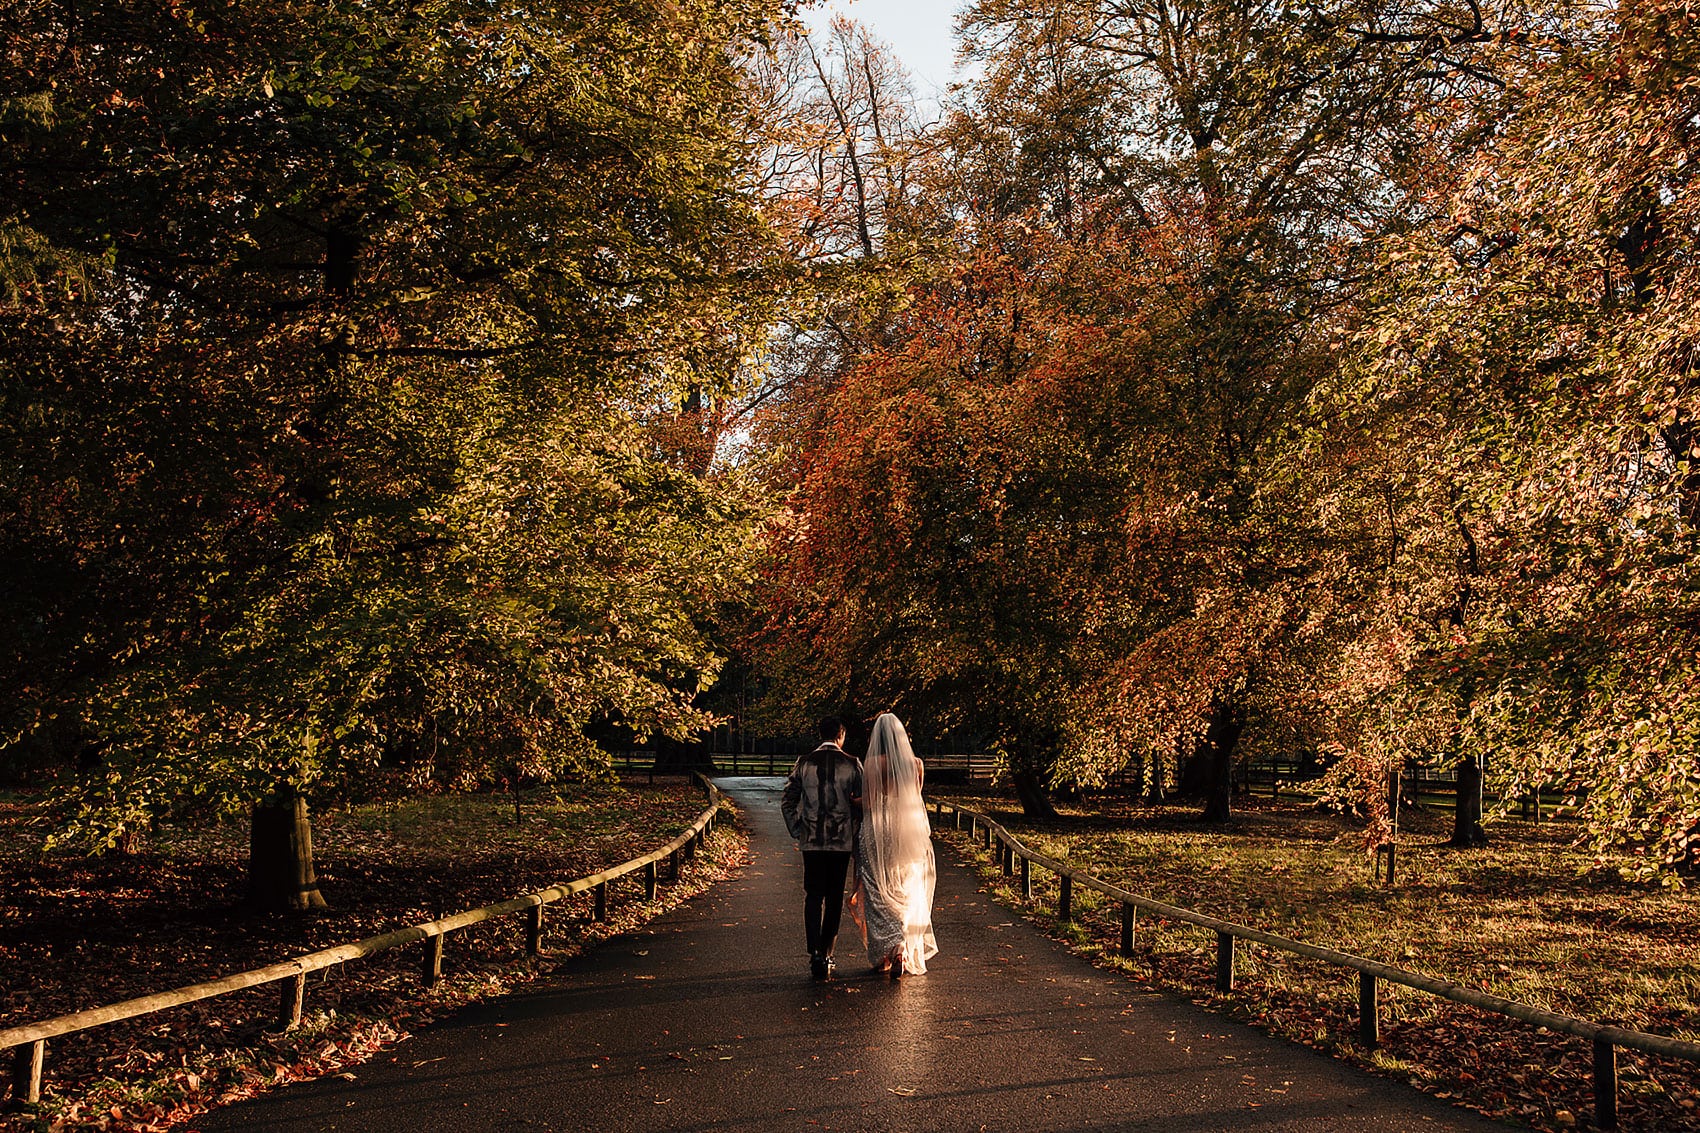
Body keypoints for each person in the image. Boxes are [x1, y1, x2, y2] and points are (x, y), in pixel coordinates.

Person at [849, 711, 938, 979]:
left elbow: (870, 803)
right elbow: (915, 798)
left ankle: (885, 954)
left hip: (876, 829)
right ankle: (902, 946)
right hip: (905, 829)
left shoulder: (873, 764)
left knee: (876, 889)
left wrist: (850, 801)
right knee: (904, 887)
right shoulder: (916, 764)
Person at [781, 715, 864, 981]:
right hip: (841, 841)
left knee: (813, 894)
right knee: (834, 896)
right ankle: (827, 951)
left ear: (821, 734)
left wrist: (798, 829)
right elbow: (861, 803)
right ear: (841, 735)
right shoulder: (852, 764)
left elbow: (788, 801)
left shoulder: (804, 763)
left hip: (812, 840)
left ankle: (814, 951)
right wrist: (856, 831)